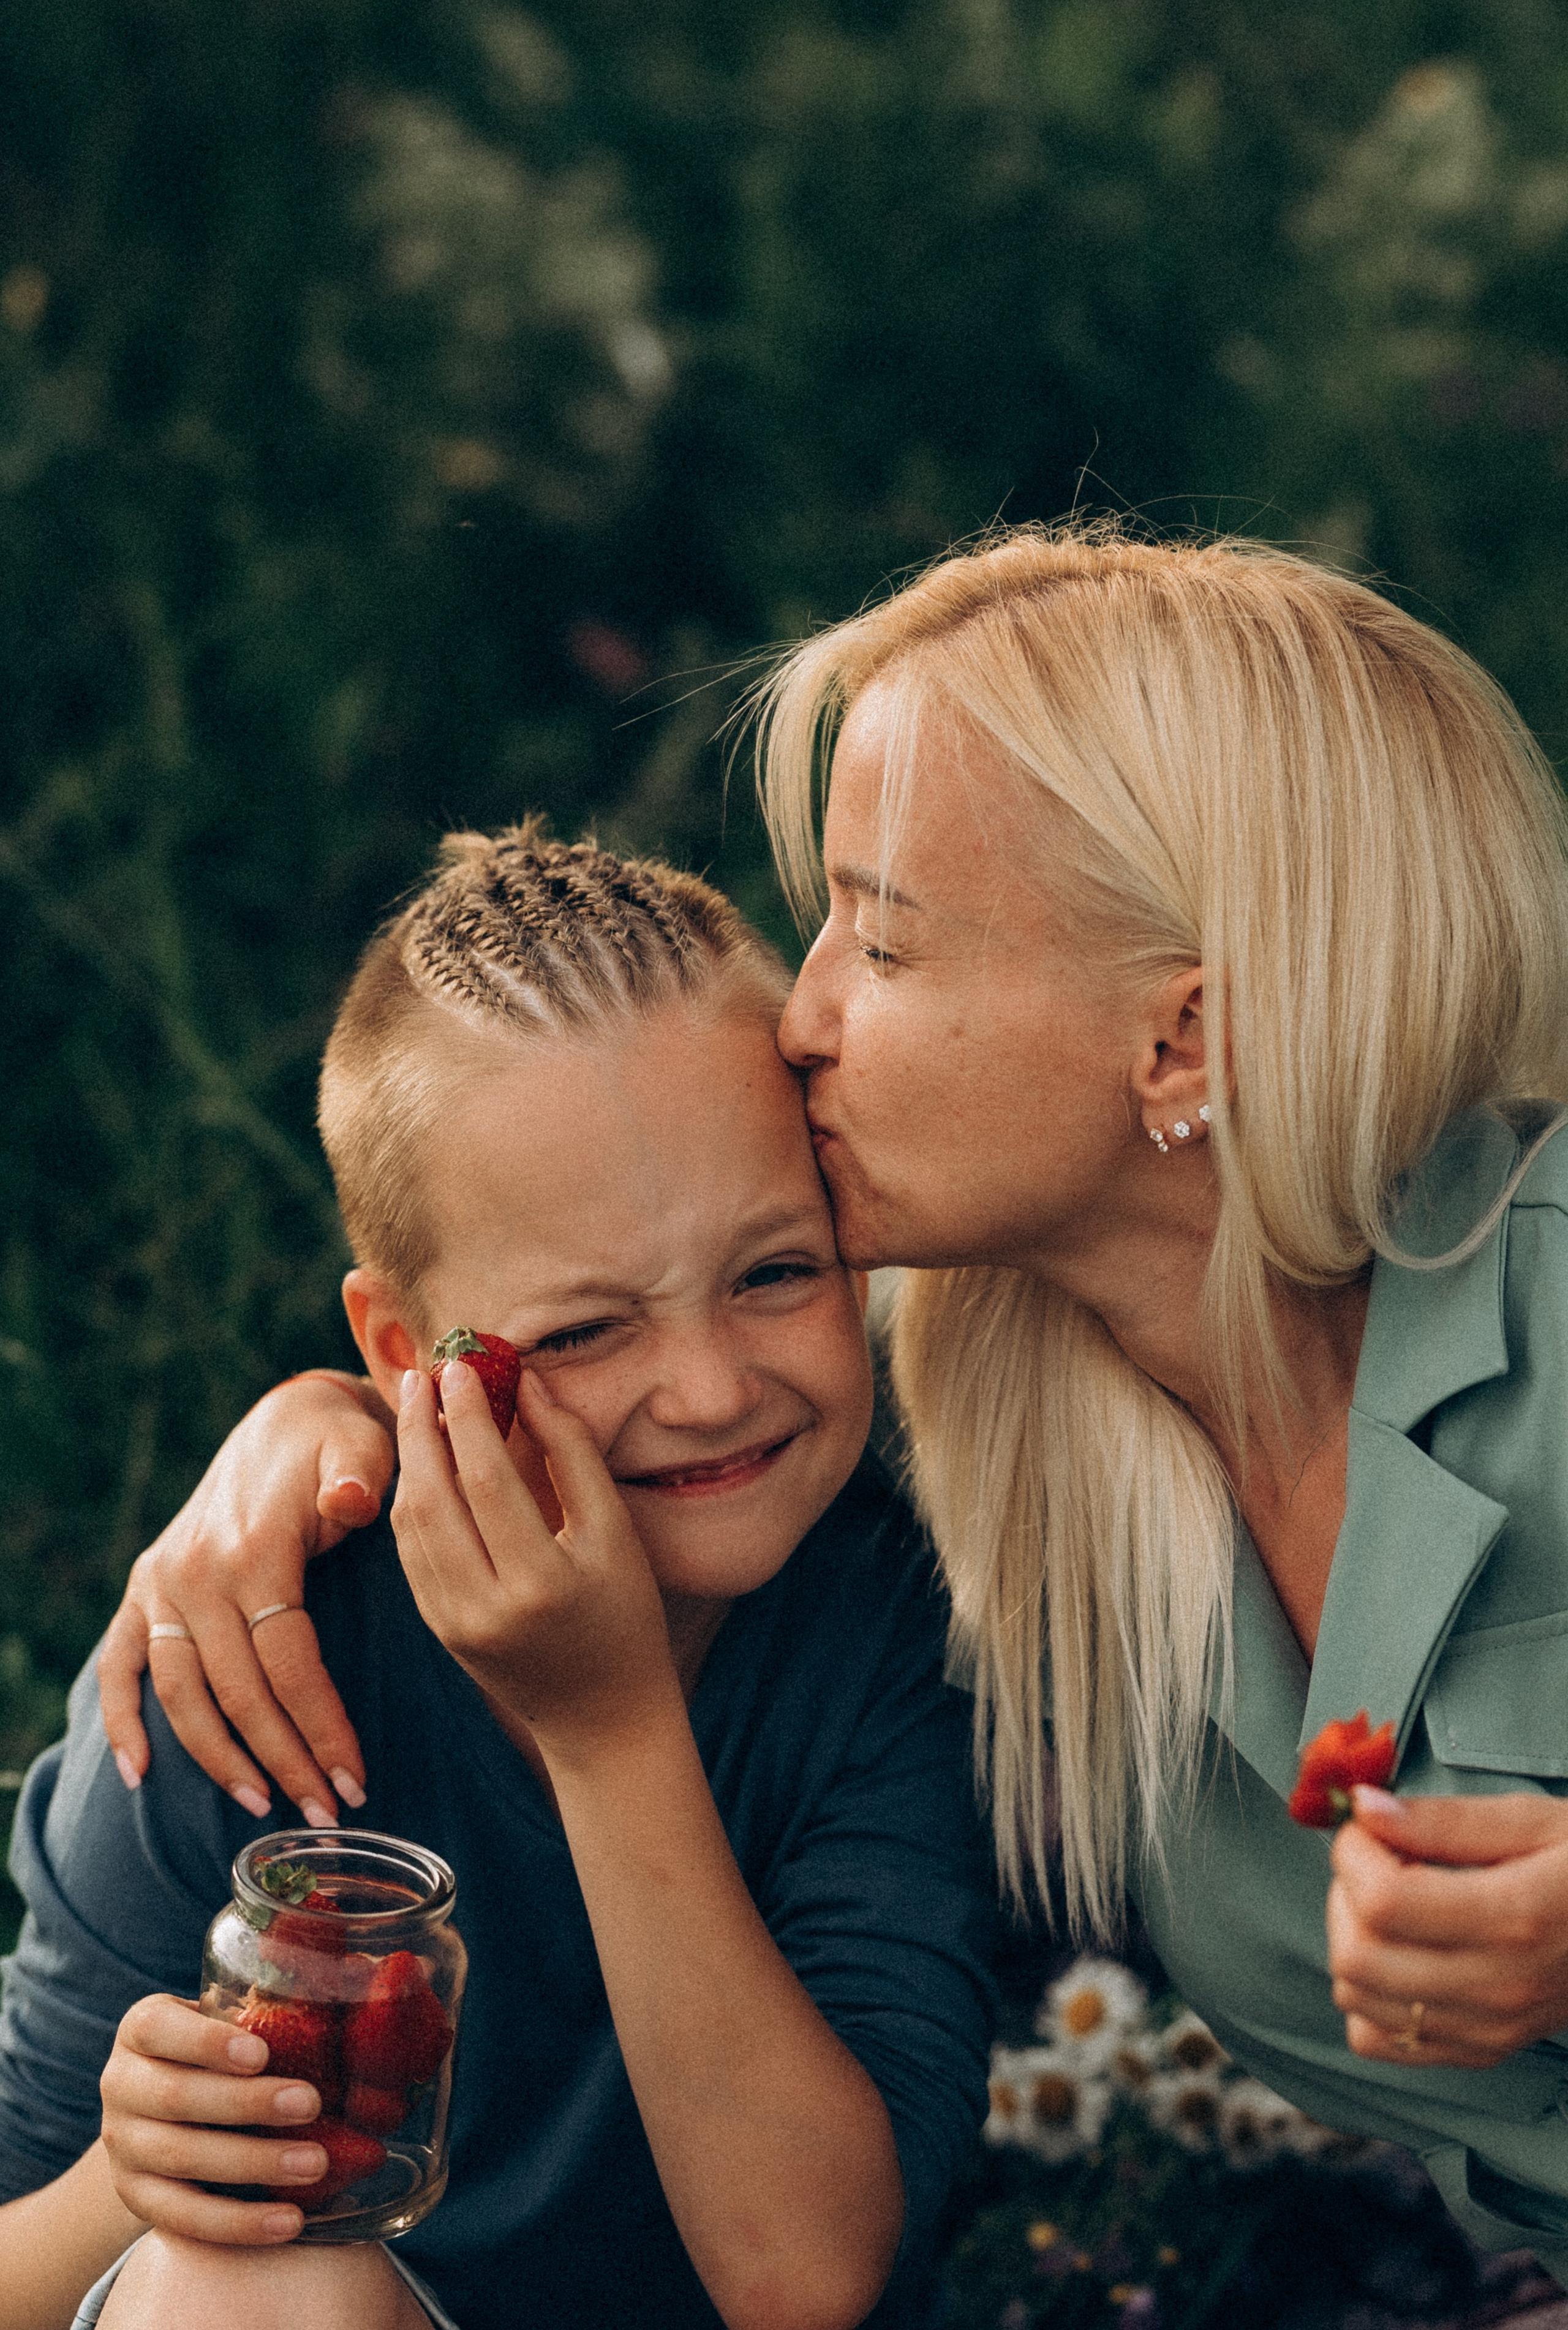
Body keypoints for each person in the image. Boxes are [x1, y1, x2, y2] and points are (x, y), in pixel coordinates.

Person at [99, 527, 1568, 2288]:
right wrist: (316, 1432)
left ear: (1177, 1044)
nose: (799, 1020)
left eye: (880, 940)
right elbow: (659, 1377)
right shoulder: (997, 1433)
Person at [0, 828, 997, 2330]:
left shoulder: (875, 1631)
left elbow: (808, 2279)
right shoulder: (249, 1653)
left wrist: (605, 1721)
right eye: (588, 1332)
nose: (713, 1390)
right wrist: (137, 2179)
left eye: (776, 1273)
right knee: (249, 2285)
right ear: (403, 1356)